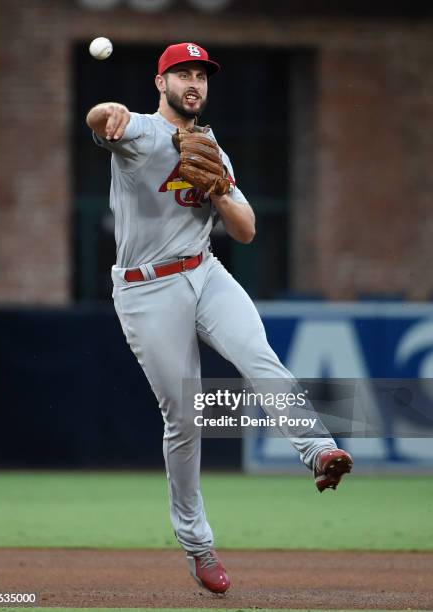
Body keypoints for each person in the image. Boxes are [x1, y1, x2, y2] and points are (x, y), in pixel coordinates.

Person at [86, 42, 353, 594]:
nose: (194, 82)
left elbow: (247, 229)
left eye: (201, 75)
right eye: (182, 73)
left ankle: (319, 449)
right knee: (184, 419)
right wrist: (105, 113)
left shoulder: (215, 151)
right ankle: (197, 544)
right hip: (146, 290)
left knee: (259, 354)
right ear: (161, 83)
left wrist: (221, 190)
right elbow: (103, 121)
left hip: (205, 273)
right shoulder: (138, 133)